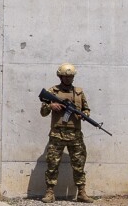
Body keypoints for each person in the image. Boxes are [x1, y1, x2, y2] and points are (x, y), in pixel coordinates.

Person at [40, 63, 94, 203]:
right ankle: (50, 192)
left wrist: (84, 114)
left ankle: (81, 192)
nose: (68, 79)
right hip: (57, 134)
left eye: (70, 76)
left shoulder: (79, 92)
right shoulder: (52, 92)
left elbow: (87, 109)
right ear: (60, 77)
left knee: (79, 164)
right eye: (65, 76)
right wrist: (50, 106)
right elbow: (43, 112)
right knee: (52, 164)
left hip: (75, 134)